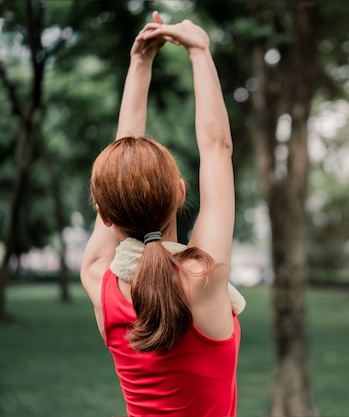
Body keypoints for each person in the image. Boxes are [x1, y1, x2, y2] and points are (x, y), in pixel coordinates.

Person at [80, 12, 243, 417]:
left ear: (103, 214)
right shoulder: (203, 278)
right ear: (181, 193)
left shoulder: (98, 277)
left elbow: (122, 164)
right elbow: (217, 149)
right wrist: (199, 50)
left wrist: (138, 65)